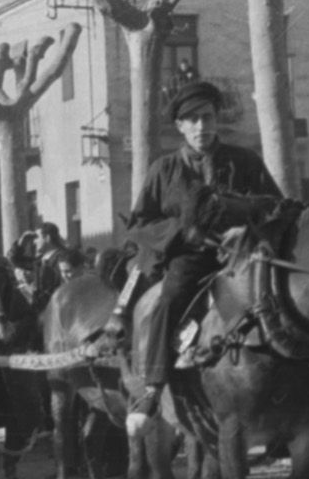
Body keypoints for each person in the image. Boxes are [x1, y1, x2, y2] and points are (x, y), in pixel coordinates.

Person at [108, 80, 282, 424]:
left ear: (217, 120)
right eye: (193, 120)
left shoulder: (244, 161)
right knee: (170, 298)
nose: (202, 126)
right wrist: (184, 233)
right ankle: (153, 387)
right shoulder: (164, 170)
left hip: (245, 255)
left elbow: (273, 205)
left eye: (208, 117)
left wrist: (246, 226)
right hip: (191, 257)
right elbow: (141, 223)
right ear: (180, 127)